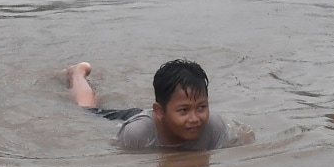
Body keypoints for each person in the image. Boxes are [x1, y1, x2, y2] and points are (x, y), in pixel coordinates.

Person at [63, 60, 240, 151]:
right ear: (159, 111)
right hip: (131, 118)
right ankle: (77, 74)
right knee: (86, 109)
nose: (195, 119)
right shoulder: (137, 134)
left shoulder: (215, 129)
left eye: (202, 107)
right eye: (184, 110)